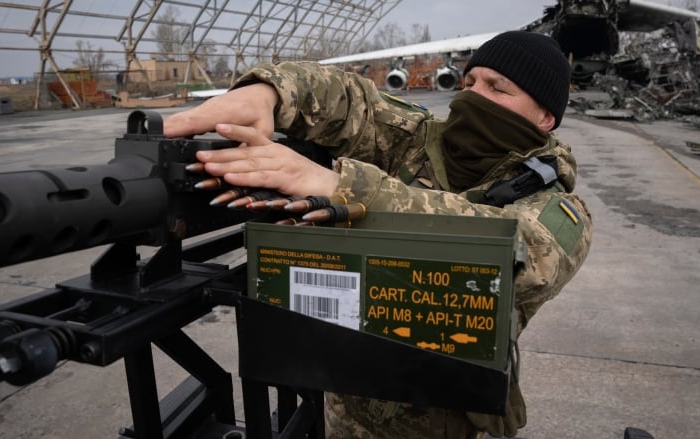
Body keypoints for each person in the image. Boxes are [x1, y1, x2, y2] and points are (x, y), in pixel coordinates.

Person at [165, 30, 593, 439]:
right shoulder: (420, 141)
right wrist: (269, 92)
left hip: (433, 415)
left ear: (545, 117)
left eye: (497, 88)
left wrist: (339, 187)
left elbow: (519, 253)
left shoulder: (558, 208)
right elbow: (352, 101)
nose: (472, 95)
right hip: (344, 388)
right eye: (469, 81)